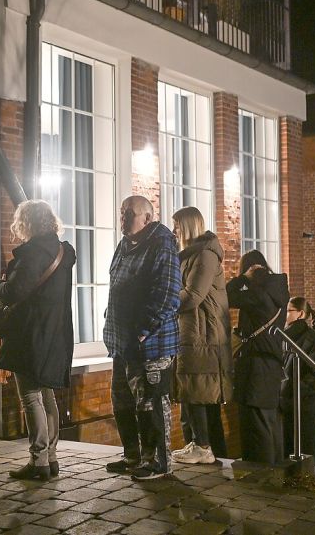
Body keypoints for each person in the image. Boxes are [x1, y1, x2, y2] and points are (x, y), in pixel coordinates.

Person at [0, 200, 75, 481]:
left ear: (27, 223)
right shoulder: (63, 251)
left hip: (30, 333)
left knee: (30, 396)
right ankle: (50, 457)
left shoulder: (33, 254)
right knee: (46, 394)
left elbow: (14, 291)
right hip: (55, 332)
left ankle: (38, 460)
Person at [103, 195, 181, 481]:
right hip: (122, 343)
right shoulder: (125, 244)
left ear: (147, 218)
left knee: (151, 403)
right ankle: (133, 455)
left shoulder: (162, 244)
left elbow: (167, 295)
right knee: (122, 401)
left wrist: (142, 331)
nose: (122, 219)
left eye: (129, 214)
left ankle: (158, 461)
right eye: (121, 213)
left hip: (150, 345)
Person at [169, 207, 231, 466]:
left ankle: (203, 446)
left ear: (188, 226)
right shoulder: (190, 255)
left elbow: (193, 295)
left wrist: (164, 301)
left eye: (177, 226)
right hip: (193, 332)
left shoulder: (205, 255)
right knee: (193, 389)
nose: (174, 231)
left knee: (197, 389)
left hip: (203, 335)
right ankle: (200, 444)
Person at [227, 249, 289, 465]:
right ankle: (273, 467)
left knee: (256, 421)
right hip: (271, 362)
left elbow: (226, 296)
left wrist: (242, 278)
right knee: (269, 420)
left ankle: (261, 470)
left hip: (256, 363)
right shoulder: (278, 290)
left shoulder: (257, 295)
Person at [280, 297, 315, 465]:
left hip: (305, 402)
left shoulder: (311, 338)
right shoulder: (283, 335)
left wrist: (301, 390)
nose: (284, 314)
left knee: (307, 446)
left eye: (288, 311)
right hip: (287, 401)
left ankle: (309, 477)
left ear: (301, 314)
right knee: (288, 446)